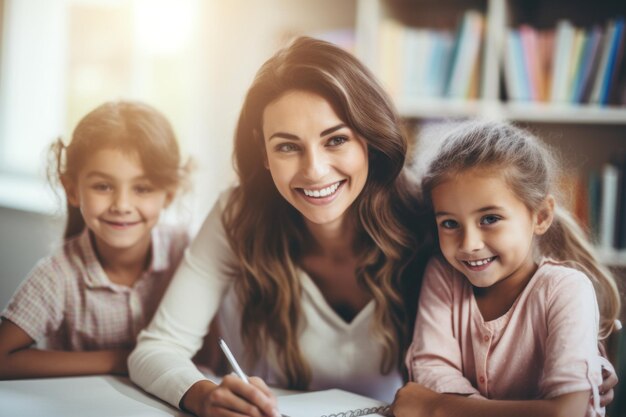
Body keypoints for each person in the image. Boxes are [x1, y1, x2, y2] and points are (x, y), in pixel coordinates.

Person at [128, 36, 430, 417]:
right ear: (264, 154)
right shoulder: (238, 215)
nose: (314, 170)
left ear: (369, 139)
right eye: (288, 147)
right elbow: (157, 348)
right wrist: (204, 396)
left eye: (336, 140)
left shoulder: (430, 217)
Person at [393, 121, 622, 417]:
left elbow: (566, 412)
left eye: (489, 219)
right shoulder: (443, 276)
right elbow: (432, 371)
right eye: (449, 223)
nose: (469, 244)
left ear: (540, 216)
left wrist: (437, 407)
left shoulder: (566, 290)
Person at [0, 101, 190, 379]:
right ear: (72, 190)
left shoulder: (186, 252)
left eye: (143, 188)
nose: (122, 204)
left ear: (169, 194)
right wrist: (119, 360)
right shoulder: (58, 274)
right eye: (103, 186)